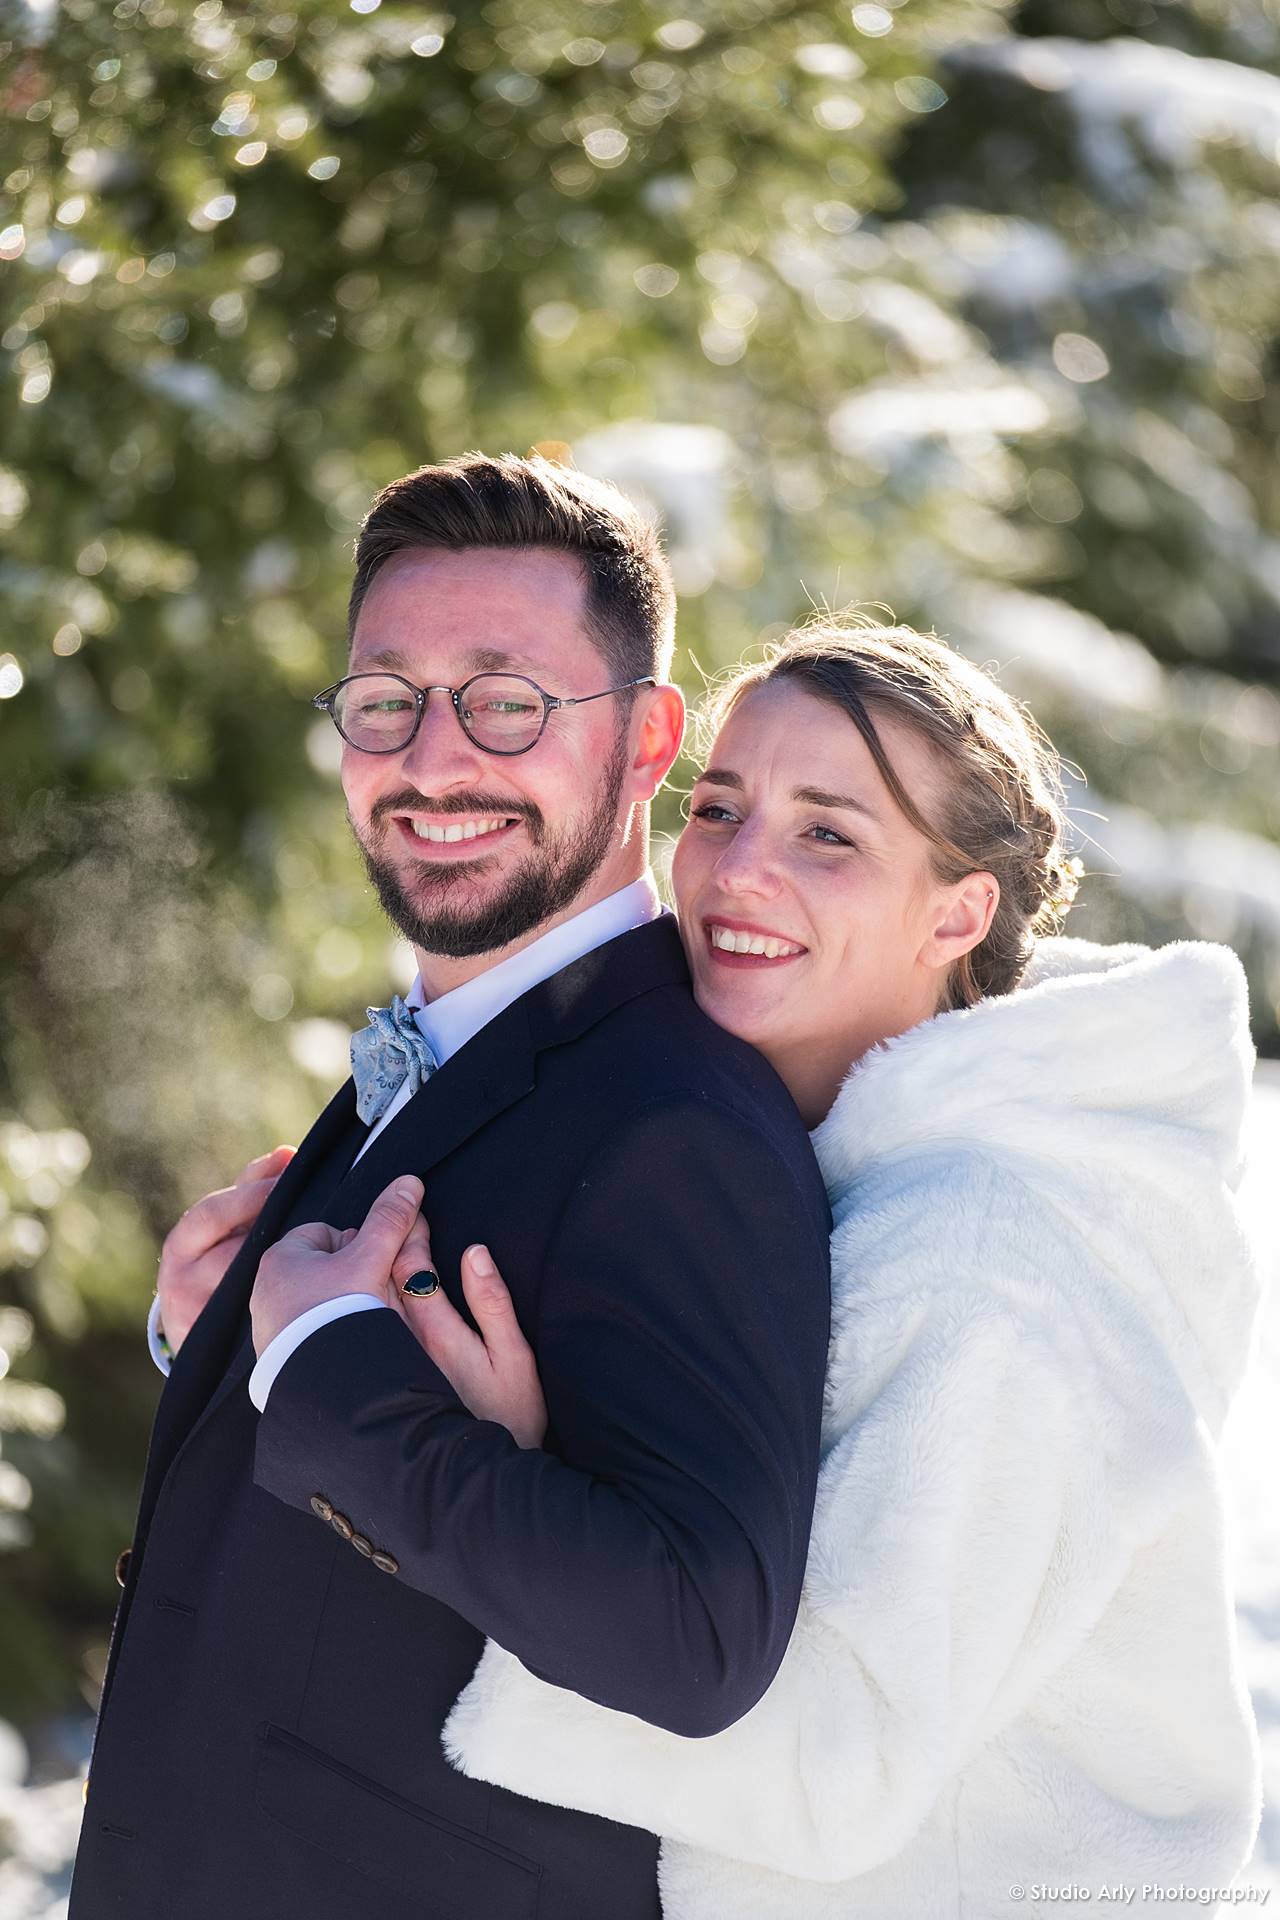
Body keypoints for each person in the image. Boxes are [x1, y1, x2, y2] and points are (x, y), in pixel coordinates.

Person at [398, 619, 1265, 1917]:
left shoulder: (980, 1263)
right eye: (722, 807)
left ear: (958, 913)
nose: (739, 870)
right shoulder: (804, 1172)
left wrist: (506, 1492)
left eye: (829, 835)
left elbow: (833, 1760)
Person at [70, 454, 833, 1920]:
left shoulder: (680, 1119)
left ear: (649, 738)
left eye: (507, 702)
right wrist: (220, 1348)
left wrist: (322, 1365)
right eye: (385, 701)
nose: (434, 760)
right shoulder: (444, 1046)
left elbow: (694, 1641)